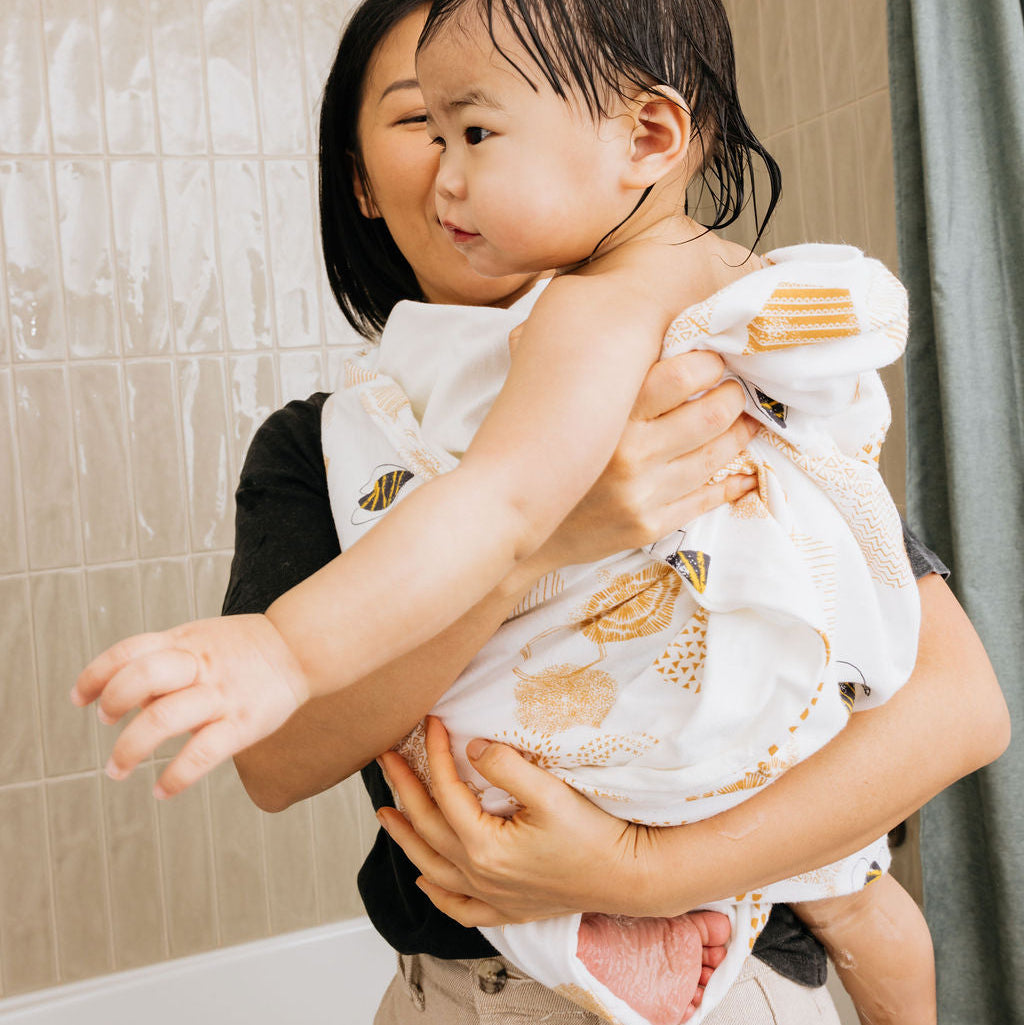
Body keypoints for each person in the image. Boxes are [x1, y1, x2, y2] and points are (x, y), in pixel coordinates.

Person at [71, 1, 1009, 1023]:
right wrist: (554, 550)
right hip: (453, 980)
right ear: (357, 181)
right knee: (872, 912)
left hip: (727, 957)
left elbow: (950, 696)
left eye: (475, 128)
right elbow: (280, 761)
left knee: (862, 904)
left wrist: (642, 867)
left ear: (647, 136)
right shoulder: (324, 442)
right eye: (421, 124)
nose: (450, 167)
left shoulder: (646, 340)